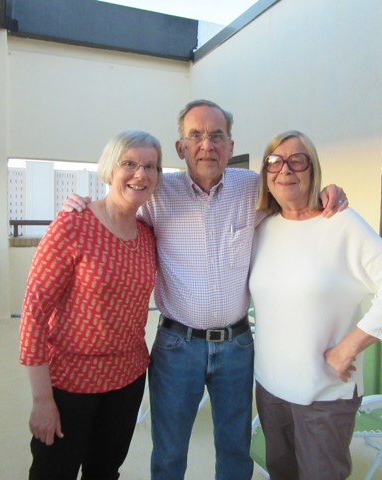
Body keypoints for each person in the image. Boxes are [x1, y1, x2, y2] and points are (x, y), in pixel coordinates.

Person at [62, 100, 348, 480]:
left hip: (238, 347)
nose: (206, 145)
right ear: (181, 148)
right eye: (195, 136)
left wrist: (328, 190)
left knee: (235, 451)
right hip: (177, 347)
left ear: (230, 146)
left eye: (216, 136)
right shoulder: (157, 193)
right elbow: (116, 208)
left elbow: (294, 191)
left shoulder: (254, 189)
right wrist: (80, 204)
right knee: (169, 453)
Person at [249, 130, 382, 480]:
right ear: (266, 176)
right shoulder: (264, 227)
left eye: (297, 160)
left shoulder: (341, 223)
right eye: (275, 161)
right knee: (280, 473)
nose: (285, 169)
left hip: (324, 392)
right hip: (270, 388)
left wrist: (349, 347)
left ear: (313, 169)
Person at [19, 130, 162, 480]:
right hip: (71, 384)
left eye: (150, 166)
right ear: (110, 168)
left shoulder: (147, 234)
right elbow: (33, 316)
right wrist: (41, 401)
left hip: (127, 381)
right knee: (54, 473)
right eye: (129, 163)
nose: (140, 174)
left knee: (104, 472)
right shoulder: (71, 225)